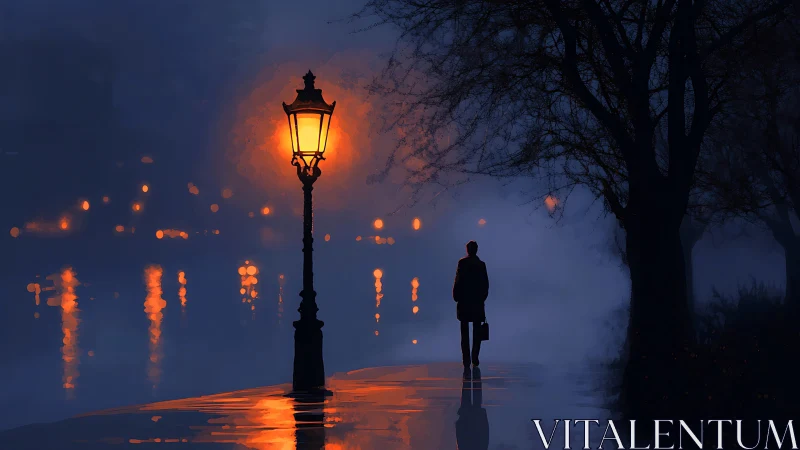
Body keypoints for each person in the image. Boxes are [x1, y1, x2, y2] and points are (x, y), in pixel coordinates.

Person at [452, 240, 489, 369]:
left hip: (464, 302)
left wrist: (456, 297)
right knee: (477, 331)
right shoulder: (481, 265)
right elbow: (485, 285)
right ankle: (475, 356)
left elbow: (458, 281)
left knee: (464, 332)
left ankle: (466, 359)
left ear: (467, 250)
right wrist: (482, 298)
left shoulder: (462, 263)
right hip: (477, 303)